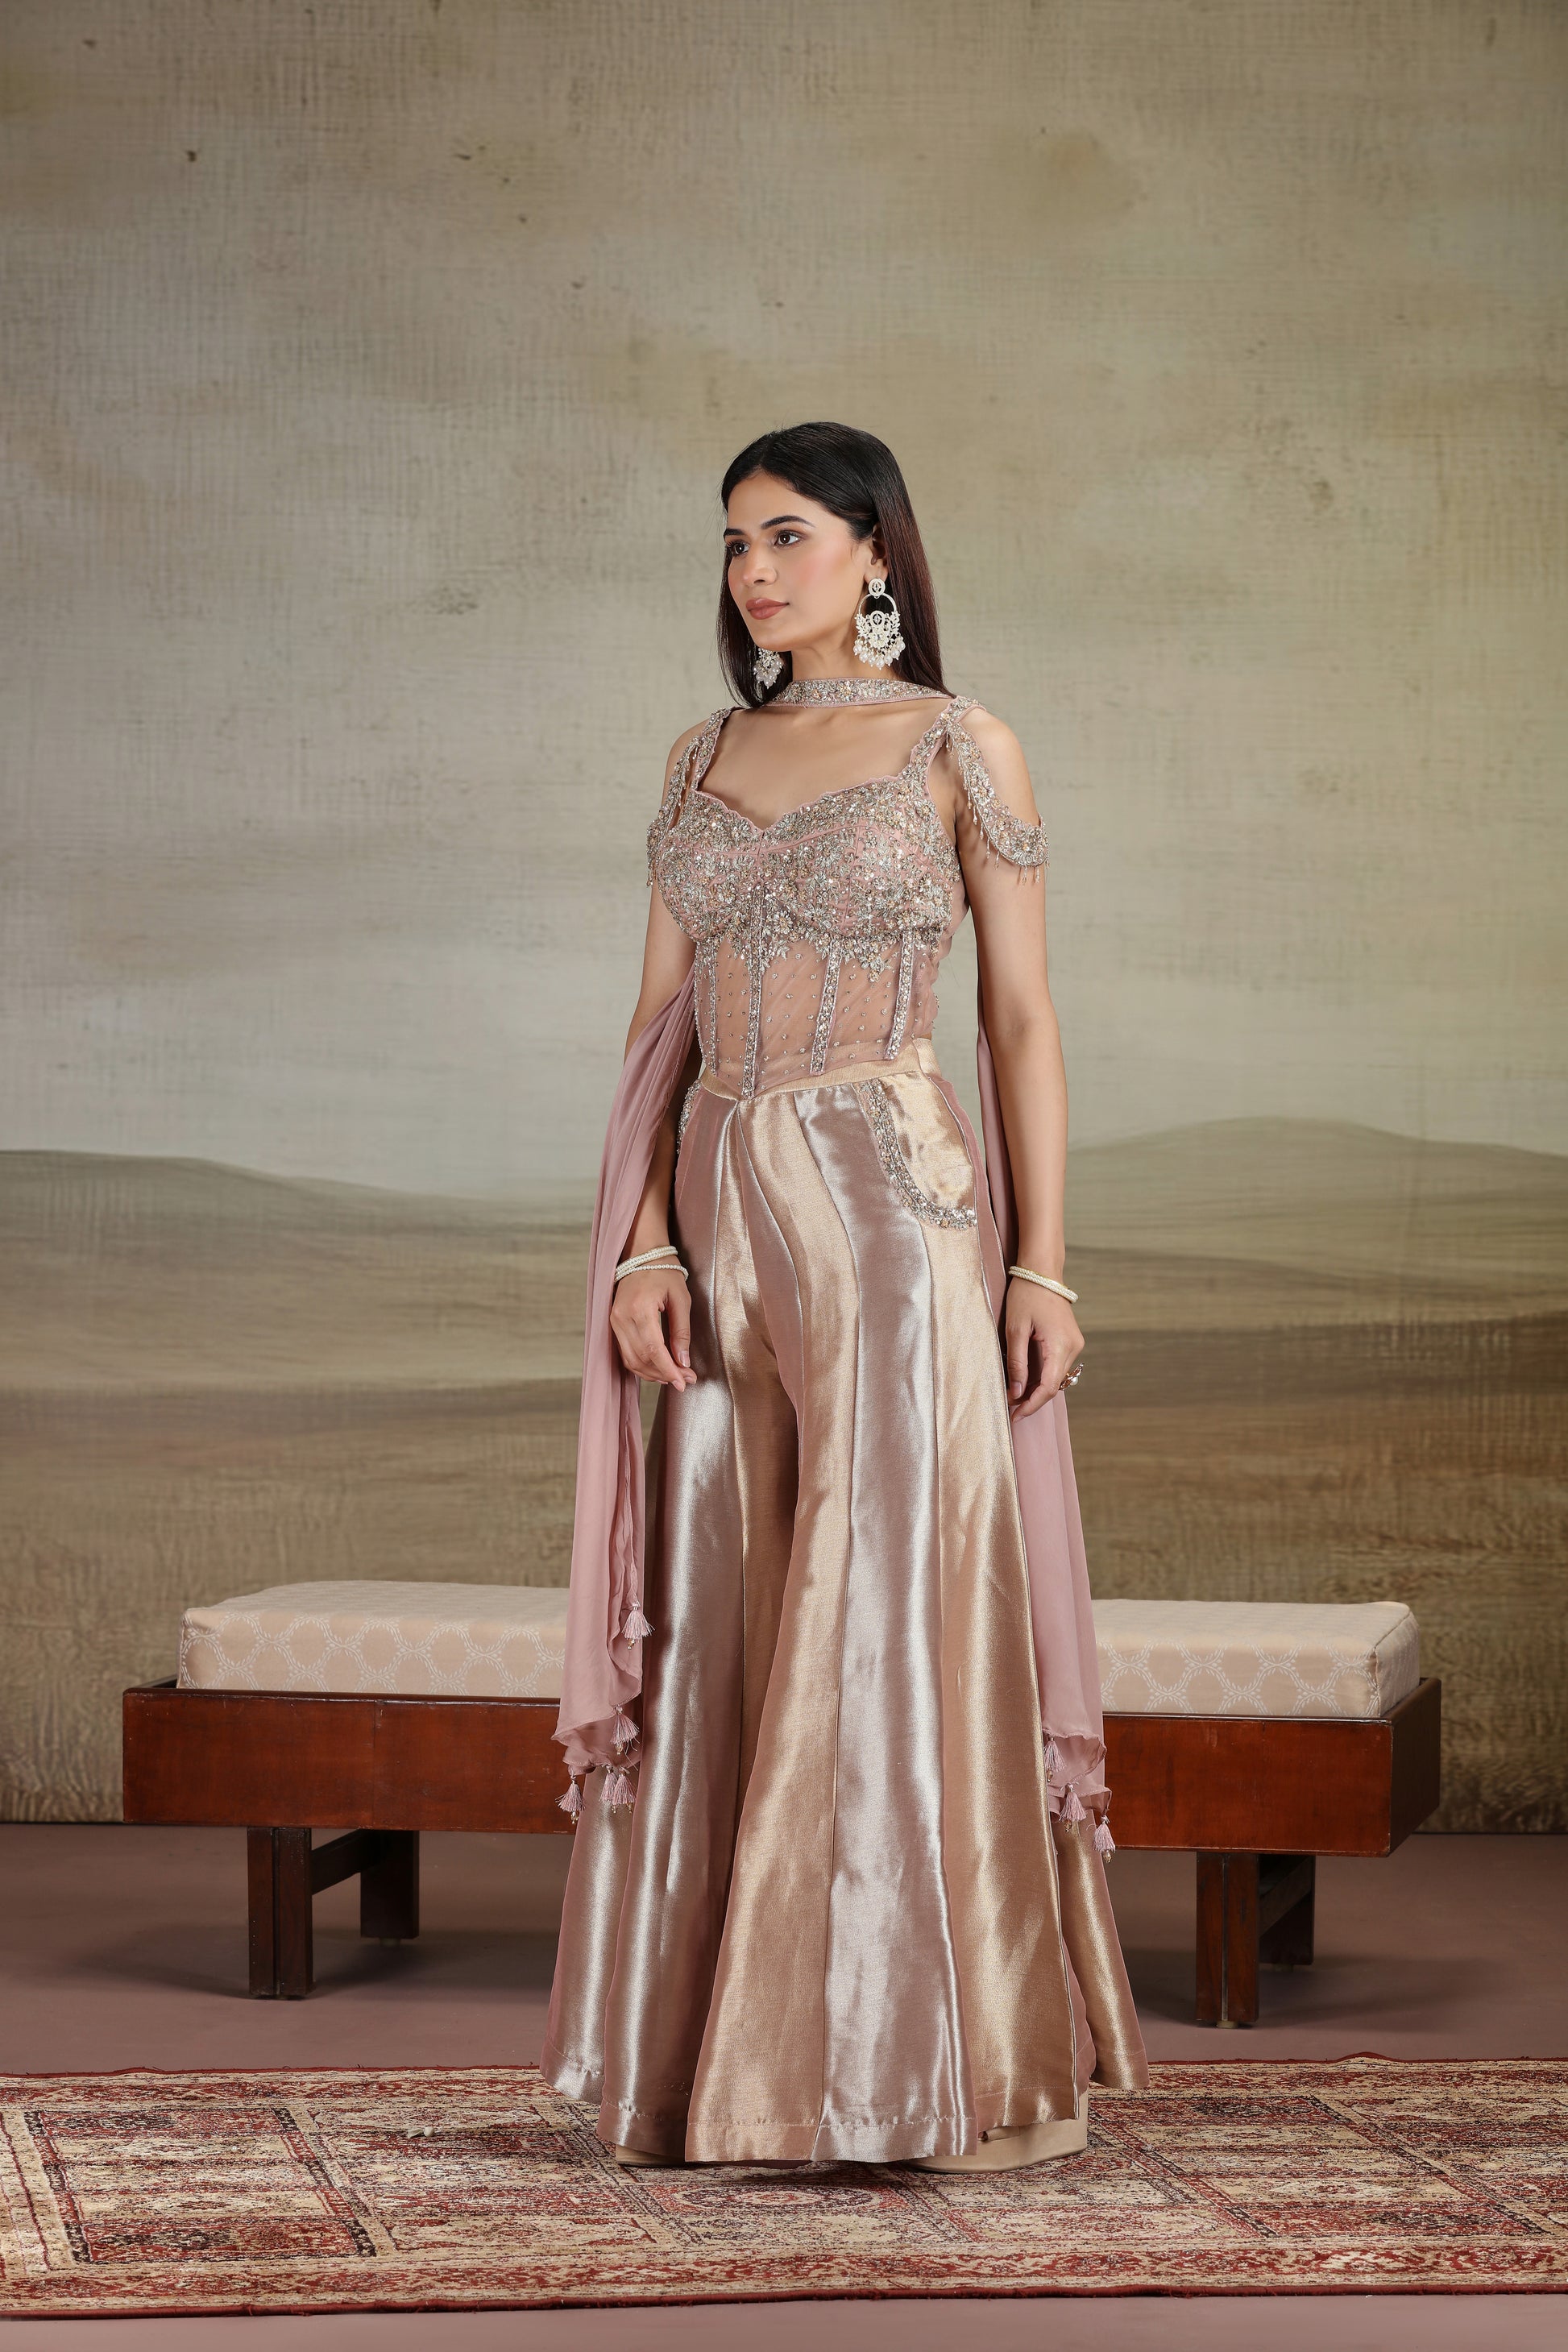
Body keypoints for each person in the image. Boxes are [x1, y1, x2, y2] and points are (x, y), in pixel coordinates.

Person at [542, 421, 1147, 2169]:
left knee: (878, 1606)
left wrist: (1040, 1258)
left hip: (893, 1200)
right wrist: (640, 1240)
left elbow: (1020, 1021)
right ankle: (715, 2068)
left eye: (790, 535)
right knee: (728, 1593)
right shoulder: (697, 753)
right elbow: (656, 1030)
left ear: (876, 553)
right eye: (735, 541)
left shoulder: (962, 746)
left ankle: (894, 2067)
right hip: (722, 1207)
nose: (755, 570)